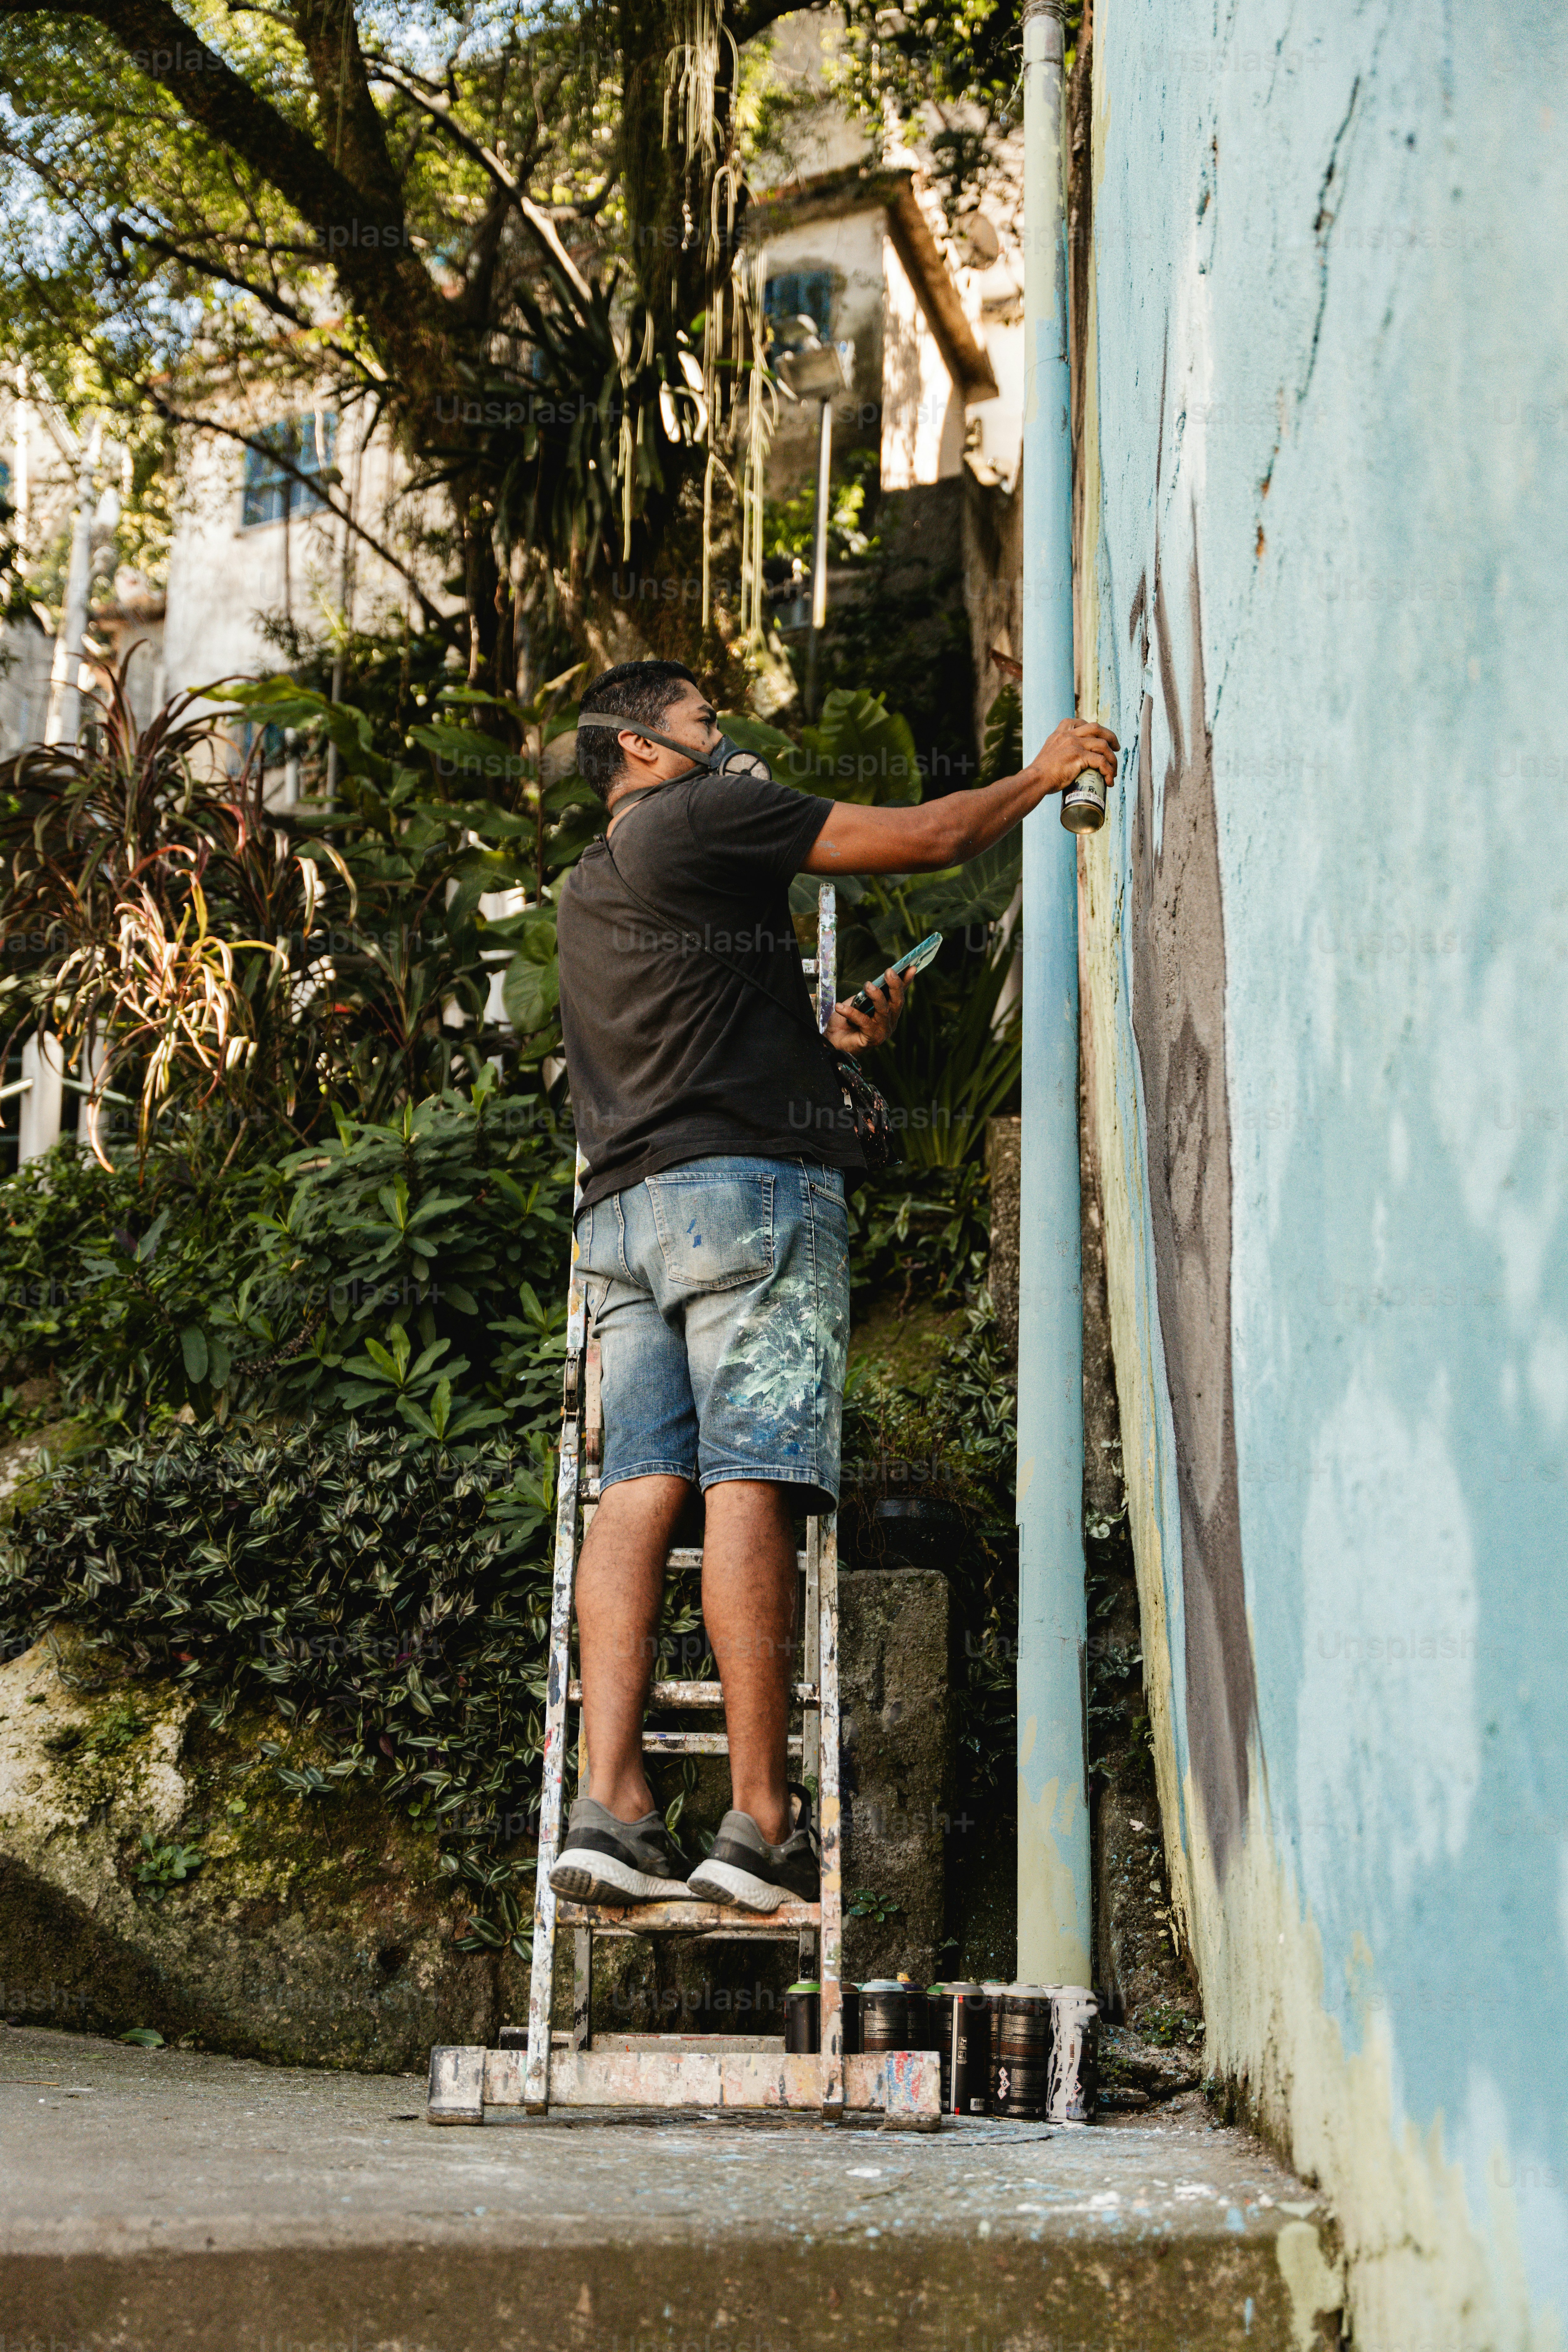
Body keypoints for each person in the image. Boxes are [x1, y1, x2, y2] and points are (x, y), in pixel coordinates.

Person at [549, 660, 1118, 1911]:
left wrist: (828, 1049)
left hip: (624, 1216)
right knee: (749, 1473)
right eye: (705, 721)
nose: (727, 736)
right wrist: (1042, 770)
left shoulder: (587, 890)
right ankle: (756, 1819)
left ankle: (613, 1802)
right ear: (641, 748)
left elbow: (699, 1044)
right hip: (746, 1198)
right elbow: (922, 838)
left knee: (639, 1481)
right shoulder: (704, 811)